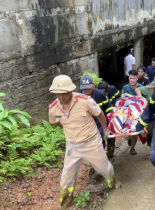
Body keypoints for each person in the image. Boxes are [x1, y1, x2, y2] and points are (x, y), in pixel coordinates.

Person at [48, 75, 118, 209]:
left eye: (64, 94)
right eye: (58, 94)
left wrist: (104, 130)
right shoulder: (53, 108)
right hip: (72, 145)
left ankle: (111, 181)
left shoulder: (85, 101)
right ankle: (66, 200)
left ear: (70, 91)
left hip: (91, 141)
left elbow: (100, 114)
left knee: (104, 167)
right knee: (67, 174)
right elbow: (58, 122)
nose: (61, 97)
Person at [80, 75, 115, 159]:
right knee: (97, 145)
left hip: (103, 122)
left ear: (93, 85)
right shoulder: (78, 98)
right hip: (90, 125)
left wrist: (110, 119)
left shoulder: (100, 94)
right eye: (84, 89)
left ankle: (110, 156)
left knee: (110, 138)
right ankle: (100, 162)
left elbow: (108, 106)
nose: (87, 90)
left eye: (88, 88)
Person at [121, 69, 144, 155]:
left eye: (134, 78)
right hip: (127, 112)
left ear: (137, 78)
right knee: (127, 130)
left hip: (138, 113)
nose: (132, 80)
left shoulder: (141, 88)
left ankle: (132, 148)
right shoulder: (125, 88)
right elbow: (121, 101)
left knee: (135, 130)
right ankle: (130, 138)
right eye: (131, 78)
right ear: (129, 78)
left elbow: (144, 101)